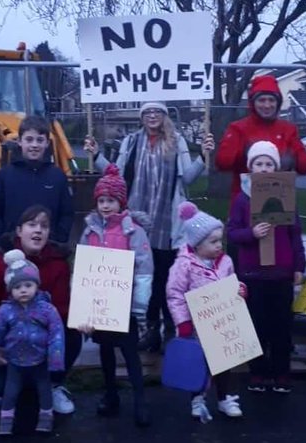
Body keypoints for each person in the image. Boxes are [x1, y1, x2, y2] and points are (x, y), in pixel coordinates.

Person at [83, 101, 213, 351]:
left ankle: (171, 329)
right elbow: (116, 175)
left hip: (169, 224)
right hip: (138, 224)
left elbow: (188, 178)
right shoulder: (131, 142)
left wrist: (204, 157)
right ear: (142, 117)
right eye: (147, 113)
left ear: (164, 116)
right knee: (145, 278)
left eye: (157, 112)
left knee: (168, 278)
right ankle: (150, 329)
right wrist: (97, 155)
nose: (152, 116)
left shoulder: (178, 141)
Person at [0, 205, 82, 414]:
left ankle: (53, 384)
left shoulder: (58, 266)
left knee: (72, 335)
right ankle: (0, 386)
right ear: (19, 231)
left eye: (44, 226)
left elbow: (62, 312)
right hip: (3, 341)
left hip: (40, 340)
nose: (38, 230)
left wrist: (81, 319)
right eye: (32, 224)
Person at [76, 164, 153, 427]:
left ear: (121, 202)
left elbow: (144, 269)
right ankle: (111, 394)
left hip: (126, 304)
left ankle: (140, 400)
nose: (105, 206)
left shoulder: (134, 232)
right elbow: (83, 266)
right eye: (101, 200)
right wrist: (84, 304)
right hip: (101, 306)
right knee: (106, 351)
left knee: (130, 353)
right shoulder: (90, 231)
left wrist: (139, 305)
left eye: (111, 200)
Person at [226, 141, 305, 393]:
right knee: (256, 325)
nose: (263, 167)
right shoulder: (242, 199)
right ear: (250, 168)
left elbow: (295, 234)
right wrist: (252, 232)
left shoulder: (285, 195)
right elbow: (232, 233)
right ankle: (258, 373)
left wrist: (298, 266)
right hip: (253, 273)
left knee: (281, 327)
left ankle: (281, 373)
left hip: (281, 273)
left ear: (276, 167)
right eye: (258, 163)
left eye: (268, 163)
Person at [166, 201, 247, 421]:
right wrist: (182, 322)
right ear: (197, 244)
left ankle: (224, 398)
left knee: (224, 365)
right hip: (196, 325)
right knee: (199, 364)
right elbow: (175, 294)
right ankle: (197, 398)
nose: (218, 245)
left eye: (219, 240)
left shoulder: (225, 262)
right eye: (212, 242)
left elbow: (232, 283)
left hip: (222, 323)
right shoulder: (184, 265)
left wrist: (239, 290)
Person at [0, 250, 65, 436]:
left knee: (44, 389)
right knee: (10, 392)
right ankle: (6, 420)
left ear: (36, 286)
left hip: (40, 360)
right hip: (14, 361)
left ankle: (46, 416)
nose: (23, 290)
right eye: (17, 287)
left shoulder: (47, 310)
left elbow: (57, 334)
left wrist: (55, 358)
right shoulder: (5, 311)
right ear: (10, 290)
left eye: (28, 285)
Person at [0, 114, 74, 251]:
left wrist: (58, 241)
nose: (34, 145)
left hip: (48, 251)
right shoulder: (4, 176)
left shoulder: (57, 176)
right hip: (12, 251)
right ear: (19, 141)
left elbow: (66, 213)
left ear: (47, 143)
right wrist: (1, 241)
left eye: (39, 140)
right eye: (29, 139)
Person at [215, 74, 306, 201]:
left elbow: (304, 167)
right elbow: (222, 164)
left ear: (278, 103)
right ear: (252, 103)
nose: (267, 105)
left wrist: (297, 156)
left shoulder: (288, 129)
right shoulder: (238, 128)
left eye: (271, 100)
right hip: (245, 201)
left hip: (280, 201)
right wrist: (240, 151)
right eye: (261, 100)